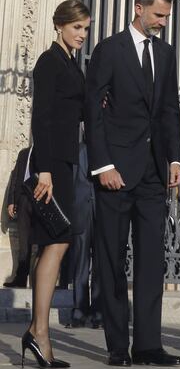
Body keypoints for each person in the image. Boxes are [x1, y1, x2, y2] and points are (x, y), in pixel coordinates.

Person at [85, 0, 180, 367]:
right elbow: (93, 111)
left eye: (166, 17)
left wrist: (174, 160)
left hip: (153, 175)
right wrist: (103, 164)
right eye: (158, 15)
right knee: (110, 258)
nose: (162, 22)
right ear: (139, 8)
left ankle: (147, 345)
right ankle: (116, 347)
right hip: (115, 172)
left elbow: (169, 112)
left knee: (150, 258)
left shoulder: (167, 53)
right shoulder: (109, 50)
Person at [21, 0, 91, 369]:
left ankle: (36, 331)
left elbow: (76, 111)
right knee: (56, 242)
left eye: (85, 28)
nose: (82, 34)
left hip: (65, 163)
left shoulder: (70, 64)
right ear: (60, 25)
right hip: (53, 168)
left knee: (58, 243)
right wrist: (44, 170)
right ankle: (39, 333)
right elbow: (41, 118)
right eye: (77, 27)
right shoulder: (49, 62)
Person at [66, 140, 102, 329]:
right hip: (80, 213)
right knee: (80, 265)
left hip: (101, 213)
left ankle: (98, 313)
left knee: (99, 265)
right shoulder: (76, 150)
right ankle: (79, 312)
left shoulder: (107, 148)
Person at [4, 146, 33, 288]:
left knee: (42, 244)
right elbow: (15, 177)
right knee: (24, 243)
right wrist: (11, 201)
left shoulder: (49, 151)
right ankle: (20, 278)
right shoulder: (24, 153)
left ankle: (40, 280)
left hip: (42, 201)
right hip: (23, 200)